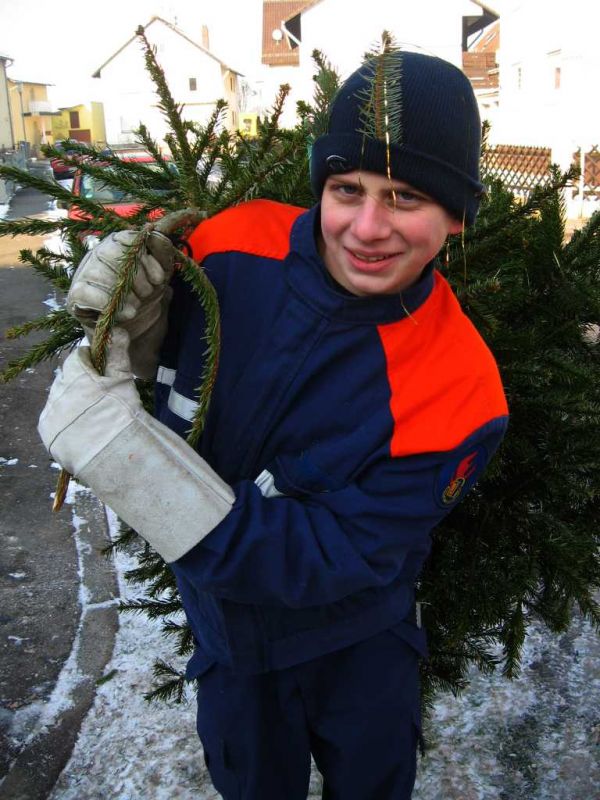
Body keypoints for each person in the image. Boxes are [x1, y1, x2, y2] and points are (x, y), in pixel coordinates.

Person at [39, 49, 509, 800]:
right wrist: (131, 314)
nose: (365, 227)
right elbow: (161, 359)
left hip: (358, 648)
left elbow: (329, 554)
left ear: (456, 216)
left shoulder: (460, 389)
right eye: (346, 187)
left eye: (406, 196)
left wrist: (129, 465)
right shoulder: (230, 243)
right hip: (227, 644)